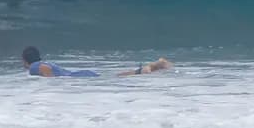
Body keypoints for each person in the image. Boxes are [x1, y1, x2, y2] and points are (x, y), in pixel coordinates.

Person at [21, 46, 172, 78]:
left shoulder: (33, 67)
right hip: (80, 75)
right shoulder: (43, 63)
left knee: (115, 77)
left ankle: (151, 67)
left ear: (25, 61)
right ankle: (152, 67)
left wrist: (54, 82)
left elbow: (44, 68)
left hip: (79, 77)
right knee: (115, 76)